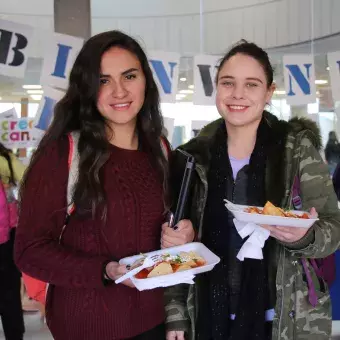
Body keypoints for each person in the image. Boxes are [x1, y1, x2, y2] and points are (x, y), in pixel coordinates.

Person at [15, 30, 194, 340]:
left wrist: (184, 233)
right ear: (87, 87)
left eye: (129, 76)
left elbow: (161, 224)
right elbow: (30, 251)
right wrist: (106, 270)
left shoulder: (160, 148)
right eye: (103, 80)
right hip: (86, 326)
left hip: (153, 322)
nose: (119, 91)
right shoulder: (63, 153)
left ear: (145, 82)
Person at [164, 41, 340, 340]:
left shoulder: (297, 151)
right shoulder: (191, 158)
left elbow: (333, 230)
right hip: (206, 314)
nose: (238, 94)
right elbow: (176, 248)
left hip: (284, 319)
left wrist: (305, 237)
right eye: (228, 83)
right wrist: (175, 315)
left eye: (252, 84)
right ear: (217, 88)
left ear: (268, 93)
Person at [0, 143, 25, 340]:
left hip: (6, 234)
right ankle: (14, 333)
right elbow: (27, 178)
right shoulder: (7, 157)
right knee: (9, 290)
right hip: (8, 236)